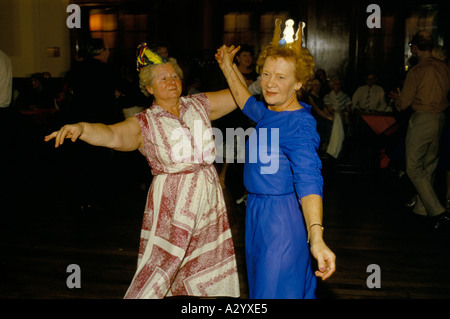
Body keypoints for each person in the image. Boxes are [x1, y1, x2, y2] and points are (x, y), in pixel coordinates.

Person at [45, 43, 240, 298]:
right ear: (148, 88)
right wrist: (82, 128)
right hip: (173, 205)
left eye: (174, 76)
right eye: (163, 78)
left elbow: (241, 96)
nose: (171, 81)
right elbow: (113, 134)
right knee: (162, 272)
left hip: (208, 199)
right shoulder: (144, 122)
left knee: (208, 271)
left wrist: (228, 66)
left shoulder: (200, 104)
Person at [215, 19, 336, 299]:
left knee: (276, 291)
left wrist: (316, 235)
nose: (270, 83)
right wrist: (227, 67)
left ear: (299, 83)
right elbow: (247, 102)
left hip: (281, 218)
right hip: (256, 211)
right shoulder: (271, 112)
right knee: (261, 290)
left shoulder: (299, 125)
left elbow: (309, 180)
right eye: (267, 74)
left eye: (281, 77)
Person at [390, 30, 450, 229]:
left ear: (415, 48)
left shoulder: (417, 71)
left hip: (422, 119)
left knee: (413, 167)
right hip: (440, 119)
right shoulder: (443, 68)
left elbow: (404, 104)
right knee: (429, 166)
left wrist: (396, 98)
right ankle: (421, 210)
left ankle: (437, 212)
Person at [308, 78, 333, 153]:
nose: (317, 87)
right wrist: (329, 118)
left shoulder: (320, 96)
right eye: (315, 85)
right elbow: (317, 110)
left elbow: (324, 109)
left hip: (321, 117)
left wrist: (331, 116)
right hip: (314, 118)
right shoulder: (310, 97)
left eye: (318, 85)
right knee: (327, 124)